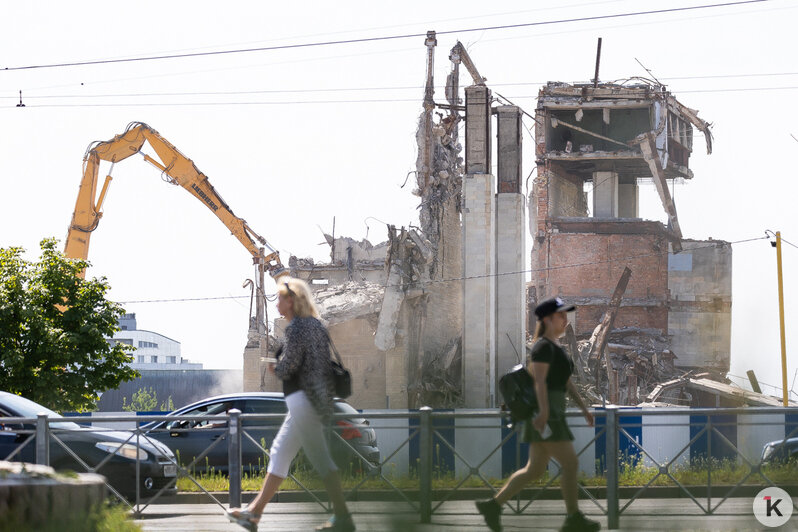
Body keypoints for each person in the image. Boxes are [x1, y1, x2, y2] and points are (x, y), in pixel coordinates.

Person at [226, 278, 354, 532]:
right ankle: (254, 513)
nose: (277, 305)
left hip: (303, 399)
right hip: (314, 398)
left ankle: (343, 518)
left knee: (320, 457)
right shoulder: (316, 325)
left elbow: (290, 366)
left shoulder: (297, 328)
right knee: (280, 452)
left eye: (281, 299)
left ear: (293, 300)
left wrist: (275, 367)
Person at [476, 297, 600, 532]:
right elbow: (540, 382)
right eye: (560, 316)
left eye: (565, 315)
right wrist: (544, 413)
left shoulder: (555, 347)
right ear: (546, 319)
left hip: (550, 412)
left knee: (534, 470)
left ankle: (493, 506)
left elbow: (566, 382)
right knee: (570, 464)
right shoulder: (542, 347)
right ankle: (573, 518)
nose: (565, 320)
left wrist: (584, 408)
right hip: (547, 414)